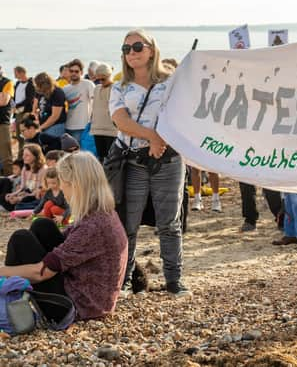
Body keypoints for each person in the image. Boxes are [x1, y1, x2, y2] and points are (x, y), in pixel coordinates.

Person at [0, 152, 127, 321]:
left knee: (21, 238)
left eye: (62, 183)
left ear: (75, 185)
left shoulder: (92, 225)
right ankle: (9, 296)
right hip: (91, 297)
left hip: (76, 308)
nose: (61, 190)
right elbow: (66, 245)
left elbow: (41, 273)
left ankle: (6, 301)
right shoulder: (102, 212)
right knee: (42, 225)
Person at [110, 28, 189, 297]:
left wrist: (161, 142)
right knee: (128, 225)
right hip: (132, 161)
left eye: (137, 47)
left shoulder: (171, 82)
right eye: (126, 49)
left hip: (169, 161)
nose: (131, 53)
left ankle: (174, 281)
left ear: (151, 50)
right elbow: (120, 121)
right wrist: (152, 137)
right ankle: (125, 282)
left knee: (169, 224)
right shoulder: (119, 86)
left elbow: (184, 115)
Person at [0, 144, 47, 212]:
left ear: (35, 156)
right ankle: (4, 202)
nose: (23, 157)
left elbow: (37, 191)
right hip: (24, 193)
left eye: (27, 155)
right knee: (5, 181)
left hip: (33, 196)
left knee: (21, 202)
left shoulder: (43, 170)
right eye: (23, 155)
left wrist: (19, 198)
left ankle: (5, 205)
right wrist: (13, 194)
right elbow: (22, 187)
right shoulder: (25, 168)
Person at [90, 63, 118, 162]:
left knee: (111, 159)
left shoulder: (116, 88)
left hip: (111, 130)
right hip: (97, 128)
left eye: (103, 79)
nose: (101, 82)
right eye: (98, 79)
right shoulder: (96, 88)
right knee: (101, 158)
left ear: (110, 76)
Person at [63, 59, 95, 144]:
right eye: (71, 71)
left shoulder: (88, 84)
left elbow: (94, 102)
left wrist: (92, 120)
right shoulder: (65, 88)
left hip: (83, 126)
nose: (73, 73)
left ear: (81, 72)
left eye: (76, 71)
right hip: (68, 126)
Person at [33, 72, 67, 137]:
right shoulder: (40, 91)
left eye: (37, 85)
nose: (36, 87)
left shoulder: (57, 92)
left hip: (55, 126)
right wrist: (35, 116)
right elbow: (35, 105)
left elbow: (55, 116)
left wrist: (41, 128)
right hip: (43, 125)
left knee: (51, 146)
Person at [13, 66, 36, 153]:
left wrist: (17, 105)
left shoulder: (30, 84)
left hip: (26, 112)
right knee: (19, 136)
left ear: (21, 73)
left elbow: (29, 99)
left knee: (25, 135)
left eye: (15, 73)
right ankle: (21, 155)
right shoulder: (18, 83)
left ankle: (26, 154)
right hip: (18, 112)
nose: (14, 75)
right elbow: (15, 97)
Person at [0, 66, 13, 176]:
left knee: (6, 156)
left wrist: (1, 96)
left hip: (2, 123)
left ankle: (9, 180)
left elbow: (3, 101)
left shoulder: (7, 82)